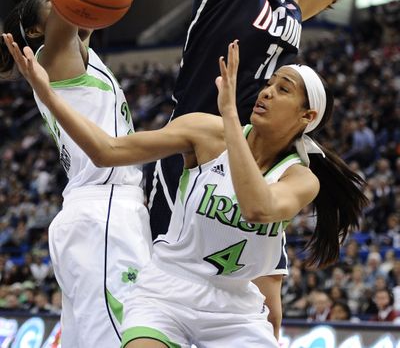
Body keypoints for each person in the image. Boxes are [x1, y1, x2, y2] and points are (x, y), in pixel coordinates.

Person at [145, 0, 376, 333]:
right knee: (172, 285)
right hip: (195, 147)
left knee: (265, 306)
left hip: (254, 160)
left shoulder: (295, 2)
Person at [3, 37, 369, 348]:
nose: (268, 92)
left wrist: (230, 117)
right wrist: (46, 93)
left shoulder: (301, 179)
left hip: (235, 309)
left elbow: (258, 207)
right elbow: (107, 151)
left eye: (283, 89)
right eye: (269, 83)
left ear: (307, 117)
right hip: (167, 289)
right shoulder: (206, 131)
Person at [0, 0, 152, 348]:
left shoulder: (77, 58)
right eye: (51, 0)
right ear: (39, 30)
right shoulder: (54, 57)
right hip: (103, 213)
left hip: (105, 212)